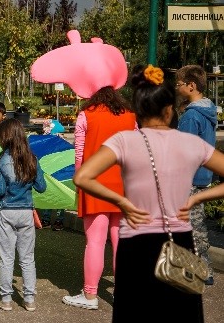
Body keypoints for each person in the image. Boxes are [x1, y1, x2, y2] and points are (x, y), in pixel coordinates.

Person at [73, 64, 224, 323]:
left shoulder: (125, 142)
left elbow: (82, 176)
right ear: (169, 110)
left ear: (139, 110)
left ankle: (91, 293)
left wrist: (120, 199)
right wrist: (197, 197)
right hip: (178, 239)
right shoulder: (190, 144)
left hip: (138, 238)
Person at [63, 86, 137, 309]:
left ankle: (90, 296)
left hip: (94, 183)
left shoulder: (86, 115)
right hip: (124, 185)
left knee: (95, 241)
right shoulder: (131, 117)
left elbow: (79, 152)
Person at [0, 118, 46, 312]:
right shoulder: (32, 158)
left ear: (4, 138)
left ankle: (6, 300)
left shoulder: (0, 161)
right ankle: (29, 300)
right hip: (25, 213)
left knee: (6, 258)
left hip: (6, 212)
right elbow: (42, 187)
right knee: (27, 258)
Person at [176, 64, 218, 286]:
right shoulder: (208, 111)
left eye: (179, 84)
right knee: (197, 223)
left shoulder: (192, 116)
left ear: (191, 86)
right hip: (202, 176)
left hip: (188, 178)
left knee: (187, 225)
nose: (177, 87)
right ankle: (205, 269)